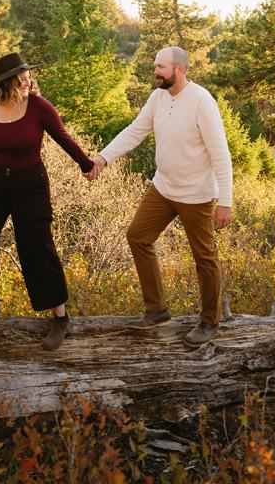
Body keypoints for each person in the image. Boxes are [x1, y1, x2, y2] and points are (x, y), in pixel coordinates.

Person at [87, 46, 233, 347]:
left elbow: (221, 154)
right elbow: (135, 131)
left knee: (204, 258)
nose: (156, 71)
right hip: (163, 188)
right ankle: (157, 311)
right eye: (156, 66)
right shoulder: (158, 97)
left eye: (161, 67)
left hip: (197, 195)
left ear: (179, 69)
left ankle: (209, 321)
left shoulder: (202, 102)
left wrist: (226, 201)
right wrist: (103, 158)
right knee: (138, 236)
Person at [0, 52, 95, 351]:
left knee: (37, 248)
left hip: (30, 185)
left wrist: (87, 164)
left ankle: (60, 318)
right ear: (6, 82)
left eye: (27, 75)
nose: (27, 80)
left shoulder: (38, 107)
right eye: (21, 77)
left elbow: (62, 136)